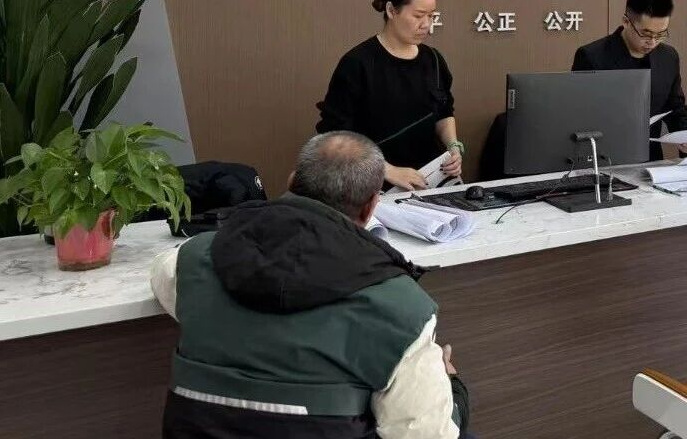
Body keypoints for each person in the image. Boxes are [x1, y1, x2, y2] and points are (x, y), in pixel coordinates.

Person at [150, 132, 472, 439]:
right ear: (371, 206)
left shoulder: (195, 259)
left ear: (291, 181)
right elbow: (424, 433)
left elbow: (165, 278)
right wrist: (452, 387)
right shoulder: (403, 308)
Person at [318, 0, 464, 190]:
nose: (426, 24)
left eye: (432, 16)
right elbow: (336, 133)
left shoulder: (432, 59)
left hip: (430, 179)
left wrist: (453, 146)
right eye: (418, 16)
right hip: (372, 184)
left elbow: (443, 111)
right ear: (391, 10)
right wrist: (387, 170)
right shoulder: (358, 63)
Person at [572, 0, 687, 161]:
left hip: (651, 160)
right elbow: (578, 115)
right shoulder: (592, 56)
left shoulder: (668, 57)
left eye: (660, 34)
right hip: (604, 160)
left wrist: (685, 136)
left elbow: (675, 106)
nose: (652, 42)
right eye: (646, 34)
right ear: (626, 22)